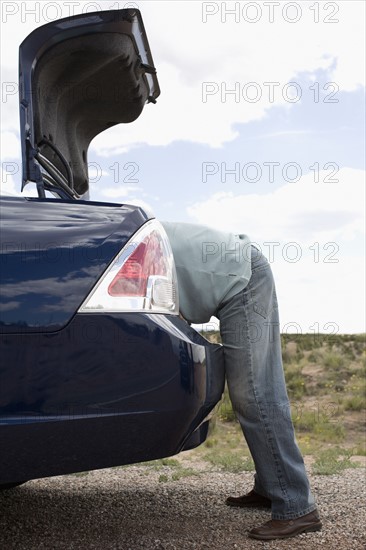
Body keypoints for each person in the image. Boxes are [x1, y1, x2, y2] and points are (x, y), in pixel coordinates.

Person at [162, 221, 322, 541]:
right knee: (255, 390)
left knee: (255, 393)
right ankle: (269, 487)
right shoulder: (129, 241)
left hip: (243, 277)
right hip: (236, 273)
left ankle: (297, 507)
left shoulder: (128, 251)